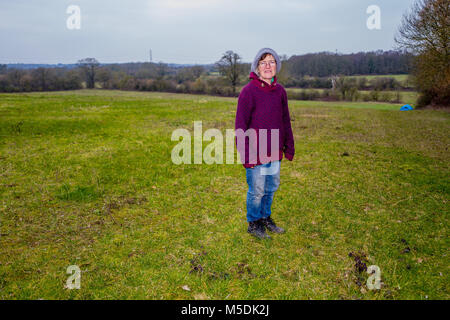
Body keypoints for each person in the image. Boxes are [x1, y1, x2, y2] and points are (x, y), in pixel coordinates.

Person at [235, 48, 295, 239]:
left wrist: (289, 146)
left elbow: (285, 120)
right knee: (257, 190)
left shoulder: (280, 92)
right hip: (255, 152)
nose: (268, 66)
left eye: (272, 62)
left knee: (271, 187)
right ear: (257, 67)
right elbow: (240, 126)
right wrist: (246, 155)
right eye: (263, 62)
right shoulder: (248, 92)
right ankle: (253, 223)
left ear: (277, 66)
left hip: (274, 151)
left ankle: (265, 217)